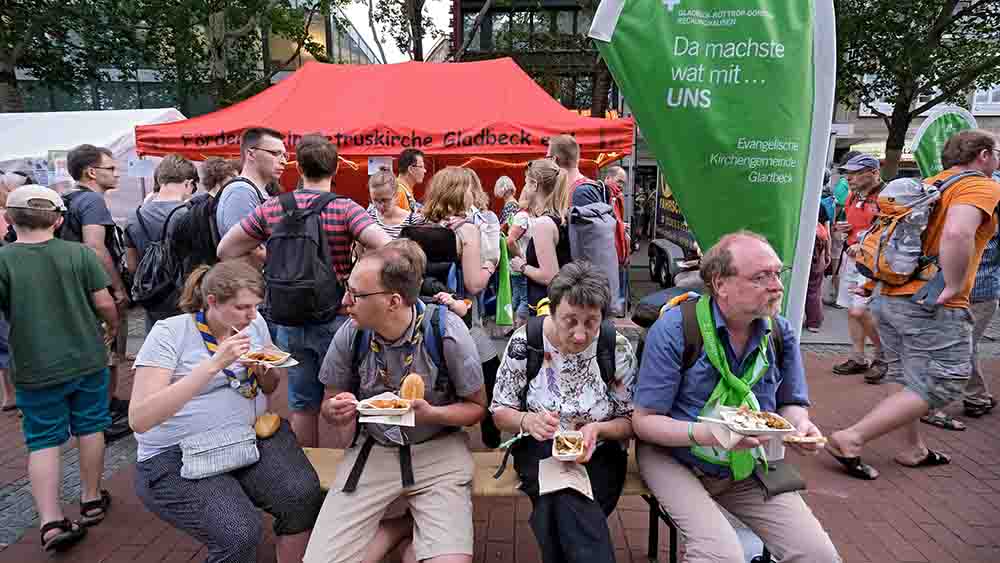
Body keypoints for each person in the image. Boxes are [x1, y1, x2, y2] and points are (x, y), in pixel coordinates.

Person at [633, 231, 838, 563]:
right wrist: (713, 433)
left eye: (777, 273)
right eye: (760, 277)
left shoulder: (780, 331)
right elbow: (644, 423)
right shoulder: (675, 329)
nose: (777, 286)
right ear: (720, 284)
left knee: (818, 556)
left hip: (743, 463)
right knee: (720, 556)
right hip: (675, 458)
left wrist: (799, 426)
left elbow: (791, 402)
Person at [828, 129, 1000, 480]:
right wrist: (953, 283)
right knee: (948, 379)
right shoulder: (979, 185)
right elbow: (958, 232)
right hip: (929, 301)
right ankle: (852, 437)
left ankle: (912, 449)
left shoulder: (928, 184)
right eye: (996, 152)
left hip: (889, 294)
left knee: (904, 375)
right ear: (983, 155)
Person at [130, 260, 323, 563]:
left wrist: (263, 372)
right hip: (178, 452)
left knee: (302, 495)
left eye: (256, 306)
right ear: (212, 302)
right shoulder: (170, 333)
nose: (252, 315)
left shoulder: (253, 325)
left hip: (247, 435)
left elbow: (270, 386)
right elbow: (140, 419)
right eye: (242, 307)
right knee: (239, 532)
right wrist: (214, 364)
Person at [304, 242, 485, 563]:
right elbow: (329, 401)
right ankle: (399, 528)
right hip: (374, 449)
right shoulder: (351, 334)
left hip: (438, 451)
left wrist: (432, 414)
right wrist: (334, 410)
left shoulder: (445, 331)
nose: (345, 302)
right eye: (347, 290)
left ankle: (409, 533)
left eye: (356, 295)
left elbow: (476, 408)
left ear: (393, 301)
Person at [218, 135, 390, 448]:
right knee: (344, 400)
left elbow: (226, 249)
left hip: (290, 318)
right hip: (336, 317)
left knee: (301, 403)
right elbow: (388, 248)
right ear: (335, 169)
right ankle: (349, 465)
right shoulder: (344, 208)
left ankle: (308, 466)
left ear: (298, 168)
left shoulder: (272, 208)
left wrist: (271, 259)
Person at [0, 185, 120, 552]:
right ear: (58, 220)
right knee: (91, 426)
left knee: (42, 441)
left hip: (34, 365)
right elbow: (104, 303)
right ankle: (91, 498)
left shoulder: (3, 259)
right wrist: (113, 327)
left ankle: (50, 521)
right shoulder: (78, 253)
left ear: (9, 218)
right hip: (86, 358)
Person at [491, 261, 636, 563]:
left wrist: (598, 429)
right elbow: (500, 412)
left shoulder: (615, 347)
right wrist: (527, 420)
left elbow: (629, 420)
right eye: (570, 321)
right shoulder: (526, 342)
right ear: (552, 310)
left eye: (591, 322)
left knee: (561, 509)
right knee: (570, 501)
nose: (580, 335)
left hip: (600, 452)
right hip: (540, 448)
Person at [420, 167, 501, 447]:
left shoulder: (421, 223)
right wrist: (490, 265)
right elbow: (474, 283)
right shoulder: (467, 230)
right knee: (490, 375)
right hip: (463, 316)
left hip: (427, 315)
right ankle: (491, 441)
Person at [66, 144, 131, 439]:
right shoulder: (92, 201)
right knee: (108, 353)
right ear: (91, 172)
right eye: (111, 168)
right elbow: (95, 246)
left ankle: (104, 408)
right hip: (96, 290)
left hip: (77, 290)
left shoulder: (69, 200)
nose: (117, 173)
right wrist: (116, 288)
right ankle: (103, 419)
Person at [920, 225, 1000, 430]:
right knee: (960, 348)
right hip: (968, 292)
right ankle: (936, 405)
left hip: (970, 293)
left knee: (962, 347)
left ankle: (975, 397)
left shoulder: (959, 217)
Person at [125, 155, 197, 332]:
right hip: (186, 300)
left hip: (153, 300)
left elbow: (132, 266)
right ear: (188, 183)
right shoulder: (190, 215)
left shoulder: (134, 217)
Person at [831, 154, 886, 378]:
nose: (849, 178)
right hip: (852, 259)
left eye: (855, 173)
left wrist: (863, 244)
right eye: (848, 173)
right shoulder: (852, 196)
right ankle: (858, 357)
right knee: (851, 310)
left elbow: (890, 231)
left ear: (874, 173)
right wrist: (844, 230)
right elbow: (856, 225)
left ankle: (884, 355)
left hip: (873, 262)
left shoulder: (887, 197)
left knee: (860, 310)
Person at [215, 127, 287, 266]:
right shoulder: (241, 192)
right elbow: (244, 251)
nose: (283, 161)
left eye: (284, 155)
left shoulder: (255, 191)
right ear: (251, 154)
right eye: (275, 153)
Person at [510, 158, 571, 316]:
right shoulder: (561, 217)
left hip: (547, 309)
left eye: (526, 182)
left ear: (534, 185)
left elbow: (550, 276)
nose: (524, 187)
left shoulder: (543, 223)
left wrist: (522, 266)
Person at [825, 151, 861, 308]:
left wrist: (833, 227)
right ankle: (839, 295)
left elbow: (837, 208)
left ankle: (838, 296)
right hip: (847, 232)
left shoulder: (844, 185)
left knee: (837, 263)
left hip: (843, 231)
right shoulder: (850, 187)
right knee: (839, 263)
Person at [506, 179, 536, 327]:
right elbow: (510, 240)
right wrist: (521, 258)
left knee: (517, 296)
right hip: (522, 265)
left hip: (517, 265)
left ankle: (509, 324)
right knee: (524, 298)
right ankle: (518, 327)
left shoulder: (522, 215)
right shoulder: (524, 216)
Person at [367, 168, 425, 239]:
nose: (380, 206)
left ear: (396, 195)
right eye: (375, 200)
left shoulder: (414, 221)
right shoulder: (368, 217)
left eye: (385, 200)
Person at [805, 206, 833, 332]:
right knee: (814, 290)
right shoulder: (821, 206)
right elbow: (828, 234)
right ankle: (814, 322)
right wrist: (828, 254)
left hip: (802, 252)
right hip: (818, 255)